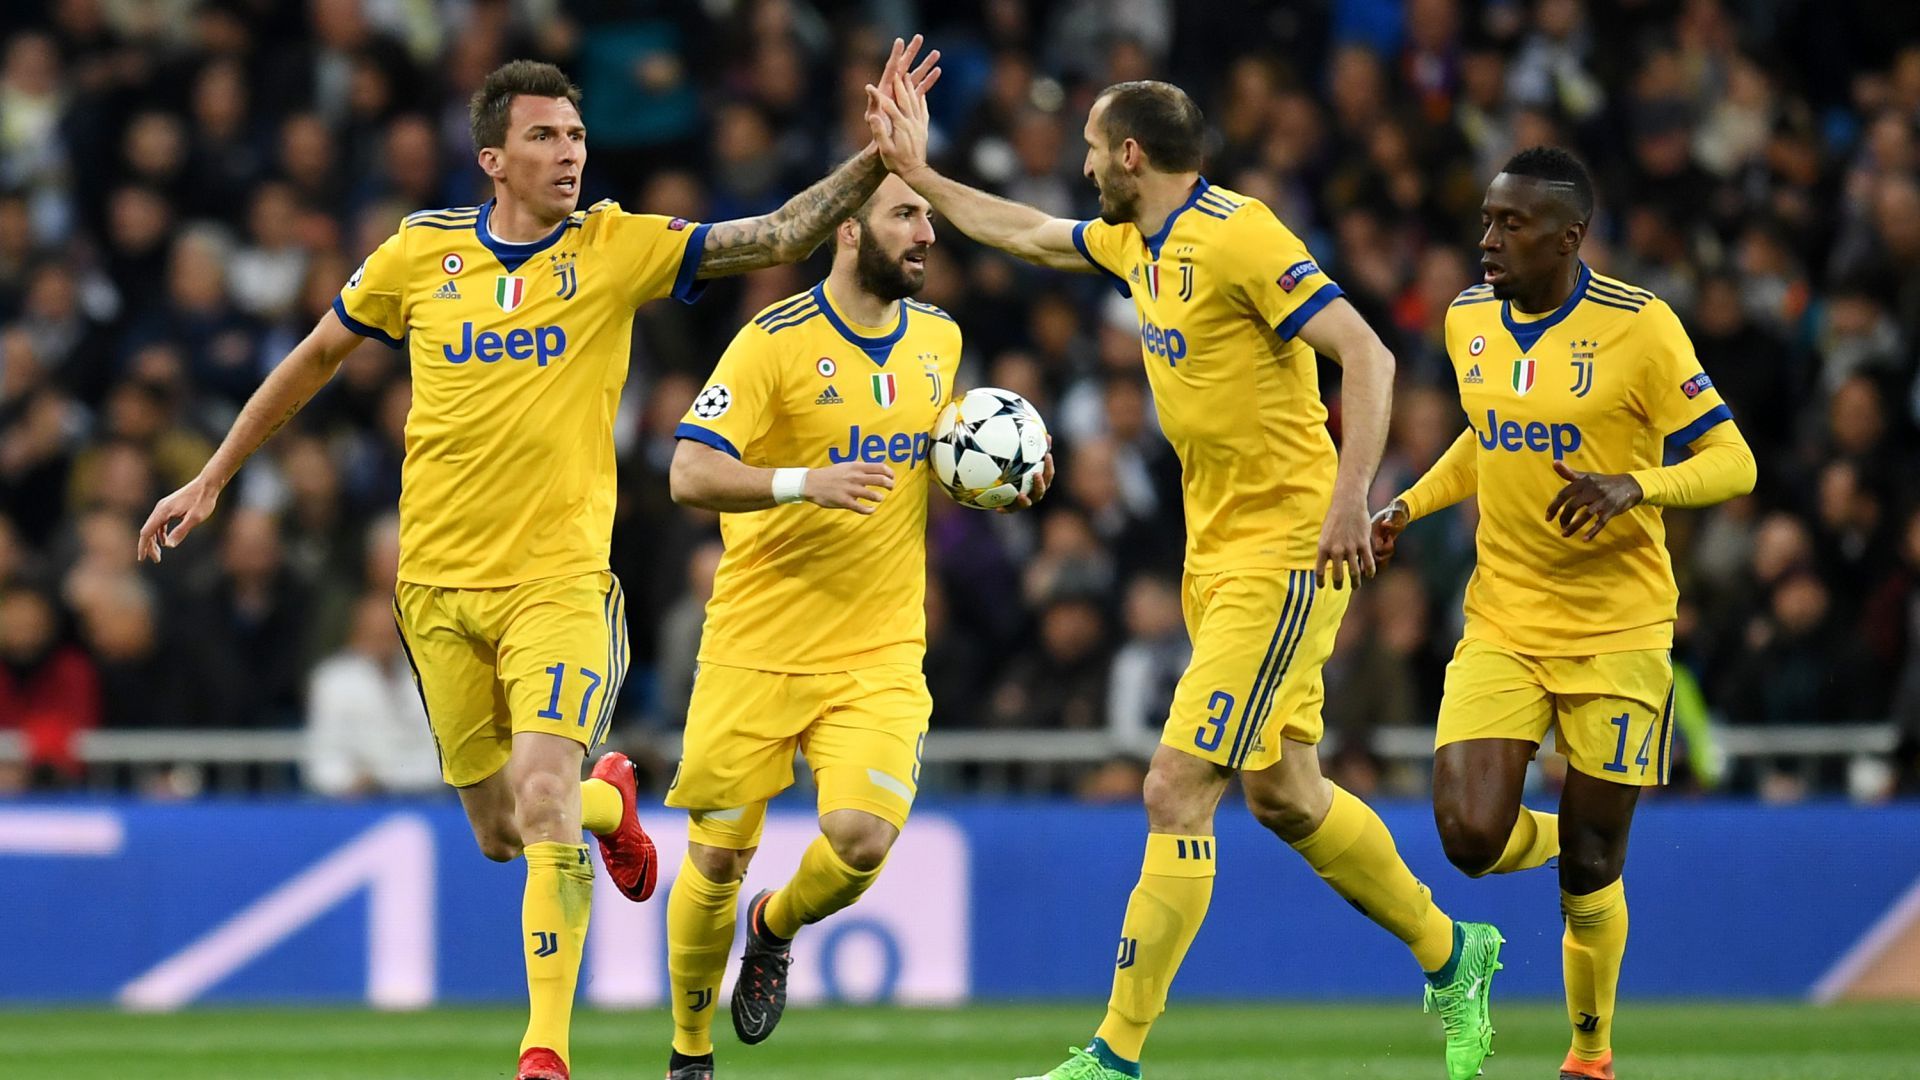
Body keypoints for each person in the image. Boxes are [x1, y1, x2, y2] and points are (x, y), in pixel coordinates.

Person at [136, 43, 943, 1080]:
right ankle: (615, 803)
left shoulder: (615, 246)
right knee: (503, 831)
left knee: (542, 796)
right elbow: (315, 359)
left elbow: (779, 234)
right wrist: (212, 477)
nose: (570, 155)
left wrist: (878, 157)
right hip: (434, 588)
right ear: (491, 160)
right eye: (545, 138)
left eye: (576, 136)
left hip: (557, 583)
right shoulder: (417, 256)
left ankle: (544, 1055)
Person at [866, 76, 1501, 1080]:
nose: (1078, 163)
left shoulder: (1241, 236)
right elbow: (1028, 232)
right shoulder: (1137, 245)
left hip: (1288, 550)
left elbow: (1369, 357)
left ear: (1130, 155)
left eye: (1089, 144)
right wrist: (918, 172)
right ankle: (1454, 953)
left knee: (1174, 787)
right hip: (1215, 557)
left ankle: (1114, 1057)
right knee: (1287, 794)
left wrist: (1350, 498)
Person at [1371, 147, 1757, 1080]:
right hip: (1503, 616)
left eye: (1511, 225)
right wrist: (1407, 506)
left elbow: (1735, 460)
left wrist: (1640, 484)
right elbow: (1486, 436)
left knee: (1591, 869)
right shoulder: (1469, 318)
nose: (1487, 240)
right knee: (1470, 839)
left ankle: (1590, 1054)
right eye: (1487, 219)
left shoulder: (1642, 327)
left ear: (1570, 237)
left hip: (1621, 627)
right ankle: (1585, 830)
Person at [663, 158, 1047, 1079]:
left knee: (863, 839)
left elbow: (933, 467)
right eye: (907, 215)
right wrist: (804, 482)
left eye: (927, 218)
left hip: (877, 648)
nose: (926, 234)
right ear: (847, 230)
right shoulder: (771, 340)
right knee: (714, 863)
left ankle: (777, 923)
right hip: (755, 646)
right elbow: (687, 472)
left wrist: (1004, 482)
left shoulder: (941, 343)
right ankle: (688, 1053)